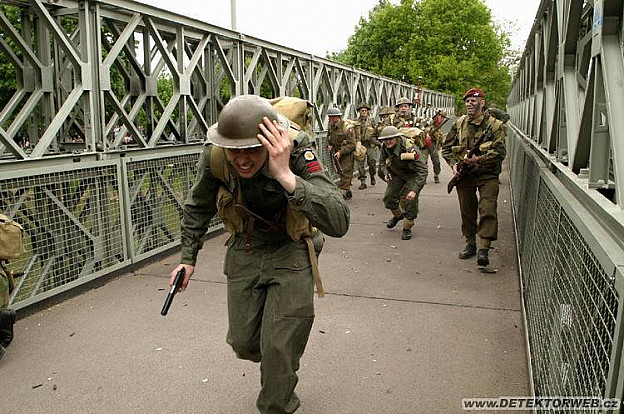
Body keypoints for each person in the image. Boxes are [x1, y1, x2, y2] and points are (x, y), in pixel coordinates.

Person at [168, 94, 349, 414]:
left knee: (278, 350)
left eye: (252, 149)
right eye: (235, 151)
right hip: (246, 248)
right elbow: (198, 206)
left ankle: (279, 391)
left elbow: (339, 220)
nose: (242, 160)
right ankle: (279, 356)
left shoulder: (297, 149)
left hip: (291, 249)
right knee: (244, 344)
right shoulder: (216, 153)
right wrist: (187, 259)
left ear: (271, 140)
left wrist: (285, 175)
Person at [441, 88, 506, 267]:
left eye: (473, 101)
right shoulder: (459, 124)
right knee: (467, 210)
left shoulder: (495, 126)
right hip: (465, 174)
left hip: (487, 173)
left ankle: (484, 248)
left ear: (482, 103)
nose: (469, 104)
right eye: (467, 101)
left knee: (488, 208)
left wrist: (479, 159)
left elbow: (500, 152)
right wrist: (454, 165)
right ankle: (470, 243)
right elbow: (446, 148)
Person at [377, 126, 428, 240]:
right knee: (389, 199)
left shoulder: (409, 147)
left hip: (412, 175)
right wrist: (386, 173)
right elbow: (382, 163)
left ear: (396, 138)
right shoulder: (385, 147)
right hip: (397, 174)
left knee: (409, 200)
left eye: (391, 139)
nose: (388, 142)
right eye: (385, 139)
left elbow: (423, 170)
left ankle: (407, 227)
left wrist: (414, 190)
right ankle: (398, 216)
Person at [326, 106, 357, 200]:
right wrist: (329, 145)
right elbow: (329, 137)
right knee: (340, 171)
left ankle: (343, 192)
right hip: (336, 153)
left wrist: (341, 152)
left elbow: (352, 145)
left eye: (332, 117)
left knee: (345, 172)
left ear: (337, 117)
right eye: (329, 117)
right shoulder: (331, 126)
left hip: (346, 154)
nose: (330, 119)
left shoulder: (347, 128)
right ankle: (348, 191)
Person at [354, 102, 379, 189]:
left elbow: (377, 131)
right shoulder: (356, 121)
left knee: (372, 162)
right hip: (360, 144)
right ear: (359, 111)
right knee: (360, 163)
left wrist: (378, 141)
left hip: (370, 144)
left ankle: (372, 175)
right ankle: (363, 181)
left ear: (368, 111)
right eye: (362, 110)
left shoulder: (372, 121)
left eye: (365, 110)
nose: (364, 112)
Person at [423, 110, 447, 184]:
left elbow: (440, 138)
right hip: (424, 143)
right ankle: (423, 177)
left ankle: (436, 174)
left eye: (443, 117)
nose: (441, 118)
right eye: (440, 116)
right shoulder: (428, 121)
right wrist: (429, 130)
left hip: (433, 143)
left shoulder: (439, 125)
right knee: (424, 161)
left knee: (436, 161)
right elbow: (421, 128)